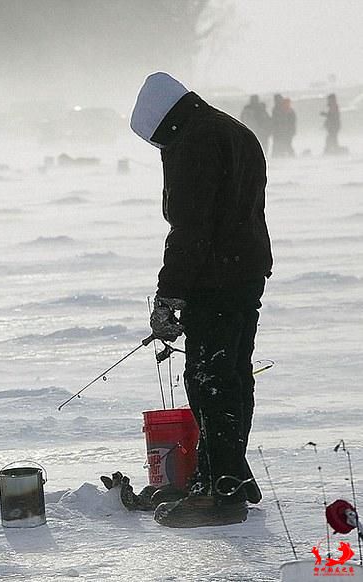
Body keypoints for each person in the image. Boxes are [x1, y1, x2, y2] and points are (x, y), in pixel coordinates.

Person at [130, 72, 273, 527]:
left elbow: (190, 229)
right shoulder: (232, 129)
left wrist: (170, 294)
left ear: (163, 123)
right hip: (246, 272)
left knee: (210, 381)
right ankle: (227, 475)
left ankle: (221, 492)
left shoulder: (193, 143)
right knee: (231, 375)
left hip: (217, 279)